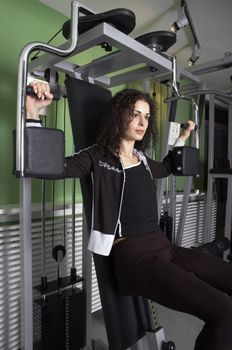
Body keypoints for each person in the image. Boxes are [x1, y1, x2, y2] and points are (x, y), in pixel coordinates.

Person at [26, 81, 232, 350]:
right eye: (135, 113)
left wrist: (183, 136)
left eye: (146, 116)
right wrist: (33, 109)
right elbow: (49, 166)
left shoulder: (143, 159)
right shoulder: (98, 157)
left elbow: (169, 166)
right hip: (133, 256)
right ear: (118, 115)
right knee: (224, 312)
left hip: (164, 247)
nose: (142, 121)